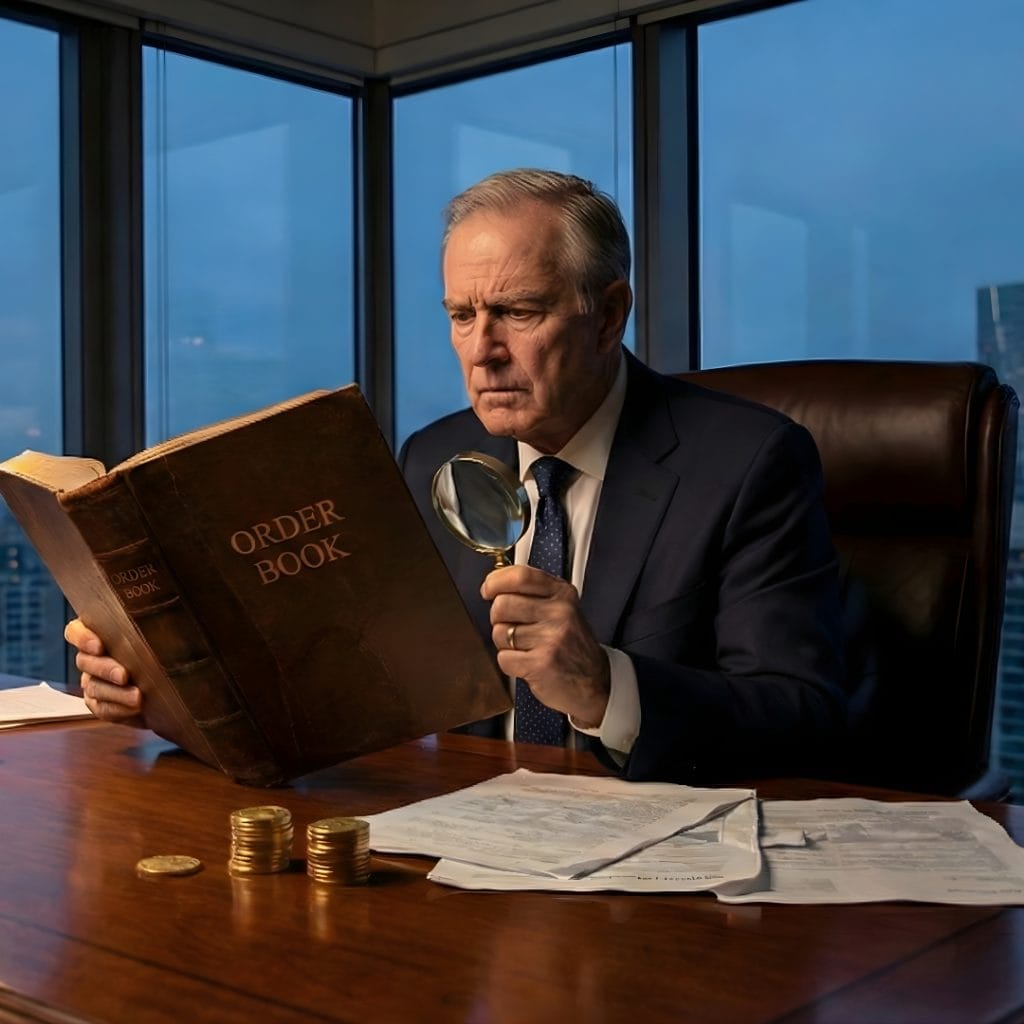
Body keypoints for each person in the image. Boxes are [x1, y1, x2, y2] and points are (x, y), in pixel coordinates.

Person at [66, 168, 847, 784]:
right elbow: (370, 685)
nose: (482, 350)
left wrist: (607, 687)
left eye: (517, 311)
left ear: (608, 315)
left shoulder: (749, 461)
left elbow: (804, 713)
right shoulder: (432, 455)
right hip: (460, 836)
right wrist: (168, 694)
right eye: (460, 315)